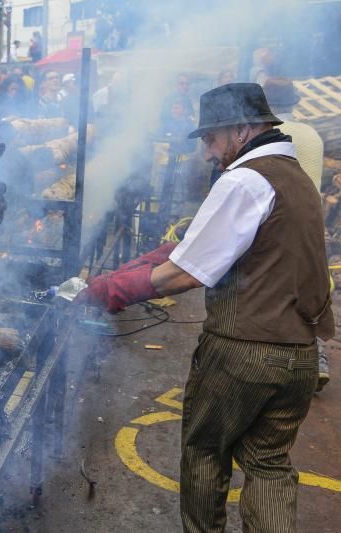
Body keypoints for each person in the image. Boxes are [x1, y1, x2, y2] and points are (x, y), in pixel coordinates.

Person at [76, 83, 333, 532]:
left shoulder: (245, 179)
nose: (207, 154)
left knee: (204, 453)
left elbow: (183, 275)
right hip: (299, 354)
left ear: (241, 130)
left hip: (244, 352)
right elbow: (200, 248)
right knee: (269, 465)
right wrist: (149, 259)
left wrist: (108, 292)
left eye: (210, 139)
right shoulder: (296, 179)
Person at [264, 76, 330, 392]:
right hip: (313, 220)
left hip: (279, 221)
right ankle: (317, 358)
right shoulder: (312, 135)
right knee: (312, 282)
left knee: (274, 288)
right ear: (294, 103)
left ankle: (280, 362)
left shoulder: (271, 135)